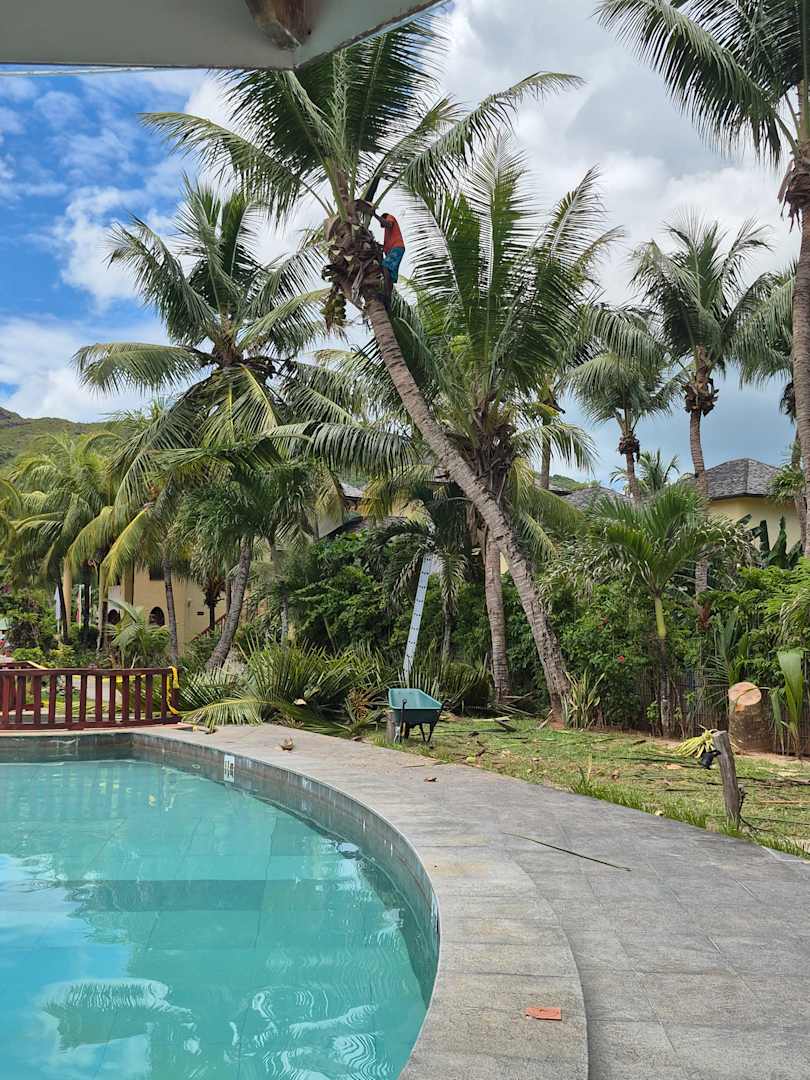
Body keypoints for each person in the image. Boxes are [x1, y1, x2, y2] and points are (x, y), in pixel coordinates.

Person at [374, 211, 405, 297]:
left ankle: (386, 294)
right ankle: (388, 297)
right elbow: (385, 247)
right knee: (390, 276)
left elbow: (388, 224)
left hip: (397, 247)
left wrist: (375, 215)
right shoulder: (387, 232)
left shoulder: (389, 217)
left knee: (385, 266)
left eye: (381, 221)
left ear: (384, 217)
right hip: (396, 249)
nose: (381, 225)